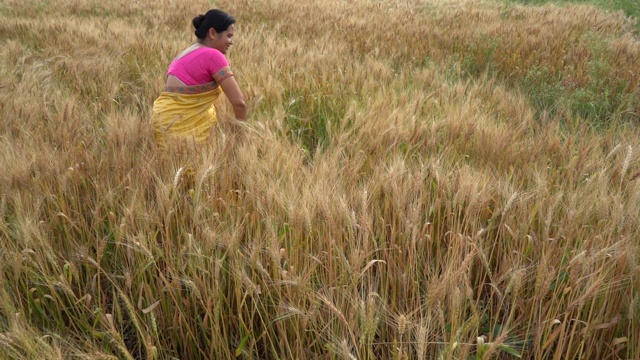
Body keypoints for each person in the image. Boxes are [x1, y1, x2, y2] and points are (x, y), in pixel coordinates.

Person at [151, 9, 247, 152]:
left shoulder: (184, 53)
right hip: (184, 126)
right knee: (191, 169)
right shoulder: (213, 55)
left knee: (172, 169)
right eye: (229, 36)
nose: (231, 41)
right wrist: (241, 136)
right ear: (213, 33)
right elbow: (239, 102)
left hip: (163, 120)